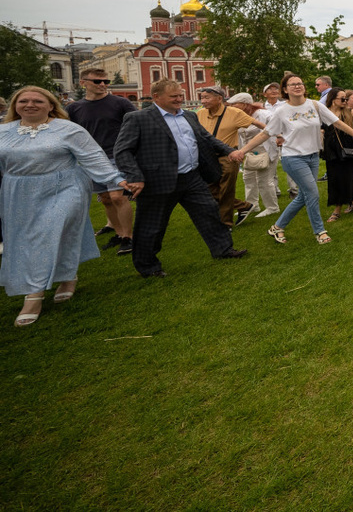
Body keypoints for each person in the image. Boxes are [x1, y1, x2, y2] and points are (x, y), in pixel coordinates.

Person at [1, 86, 134, 327]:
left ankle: (33, 295)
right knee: (28, 239)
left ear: (51, 105)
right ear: (15, 106)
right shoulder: (3, 131)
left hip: (65, 187)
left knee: (47, 233)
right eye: (23, 101)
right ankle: (68, 275)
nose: (30, 105)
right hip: (20, 192)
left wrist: (116, 179)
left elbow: (92, 156)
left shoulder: (68, 129)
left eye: (37, 101)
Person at [113, 79, 249, 278]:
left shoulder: (189, 116)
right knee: (152, 225)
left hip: (191, 177)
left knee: (209, 212)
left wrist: (230, 151)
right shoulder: (138, 118)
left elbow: (206, 138)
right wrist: (135, 176)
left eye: (180, 95)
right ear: (156, 97)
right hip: (157, 181)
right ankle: (148, 267)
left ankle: (224, 249)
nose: (179, 100)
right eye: (174, 96)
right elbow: (122, 151)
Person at [232, 74, 353, 245]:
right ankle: (320, 231)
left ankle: (277, 227)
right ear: (285, 89)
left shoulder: (315, 105)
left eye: (300, 83)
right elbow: (265, 134)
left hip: (313, 157)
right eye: (292, 84)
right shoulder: (281, 111)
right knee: (312, 194)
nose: (297, 86)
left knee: (303, 196)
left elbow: (338, 123)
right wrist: (242, 151)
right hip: (293, 157)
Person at [67, 67, 136, 253]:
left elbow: (136, 124)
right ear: (83, 83)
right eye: (97, 81)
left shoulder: (120, 103)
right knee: (105, 199)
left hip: (117, 155)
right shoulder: (74, 108)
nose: (103, 84)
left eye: (106, 81)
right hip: (91, 159)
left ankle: (129, 238)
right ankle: (119, 234)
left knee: (118, 197)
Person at [194, 87, 264, 228]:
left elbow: (258, 124)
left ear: (219, 98)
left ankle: (226, 224)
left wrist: (277, 135)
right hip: (208, 158)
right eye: (202, 98)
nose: (203, 101)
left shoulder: (234, 113)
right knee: (208, 190)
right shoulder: (199, 113)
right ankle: (244, 206)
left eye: (207, 97)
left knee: (226, 190)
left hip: (228, 157)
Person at [226, 93, 279, 218]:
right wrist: (240, 152)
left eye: (234, 104)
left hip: (266, 150)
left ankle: (272, 208)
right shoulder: (237, 116)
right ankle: (251, 205)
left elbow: (275, 131)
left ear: (245, 104)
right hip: (248, 152)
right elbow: (239, 136)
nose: (231, 107)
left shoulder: (264, 115)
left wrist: (276, 145)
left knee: (264, 180)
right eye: (230, 104)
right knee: (248, 178)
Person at [321, 88, 353, 222]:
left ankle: (341, 207)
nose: (345, 101)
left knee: (349, 175)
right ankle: (348, 202)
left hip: (346, 148)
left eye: (346, 99)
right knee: (334, 178)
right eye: (343, 99)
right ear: (333, 100)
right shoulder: (324, 112)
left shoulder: (348, 112)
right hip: (331, 150)